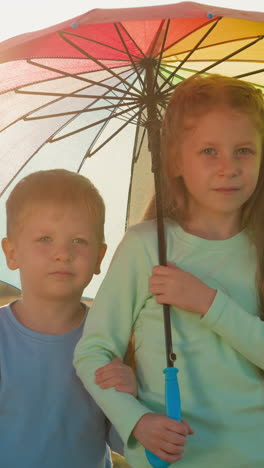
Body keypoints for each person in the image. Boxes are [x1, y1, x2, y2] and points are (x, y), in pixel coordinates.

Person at [74, 73, 264, 468]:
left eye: (244, 150)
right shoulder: (146, 247)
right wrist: (136, 420)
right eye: (209, 150)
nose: (228, 167)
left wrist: (208, 303)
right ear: (175, 160)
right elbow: (93, 353)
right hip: (169, 458)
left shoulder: (259, 248)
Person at [1, 169, 137, 468]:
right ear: (11, 253)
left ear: (100, 258)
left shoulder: (108, 341)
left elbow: (129, 447)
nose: (62, 253)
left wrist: (130, 398)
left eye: (78, 241)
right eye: (45, 238)